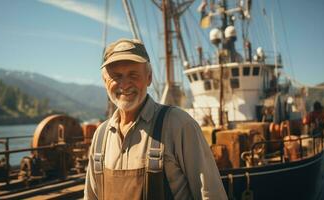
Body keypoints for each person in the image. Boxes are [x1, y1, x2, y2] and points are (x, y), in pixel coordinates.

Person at [84, 38, 227, 200]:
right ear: (105, 82)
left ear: (149, 77)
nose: (124, 84)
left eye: (133, 74)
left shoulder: (179, 125)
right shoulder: (101, 136)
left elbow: (211, 194)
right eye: (116, 76)